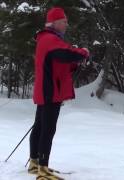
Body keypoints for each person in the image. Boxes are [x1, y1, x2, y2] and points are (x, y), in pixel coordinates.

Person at [28, 7, 89, 180]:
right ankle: (43, 169)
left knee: (40, 126)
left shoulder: (49, 39)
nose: (66, 24)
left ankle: (35, 163)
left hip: (47, 90)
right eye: (64, 21)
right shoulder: (49, 39)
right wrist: (83, 53)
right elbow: (65, 53)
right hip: (50, 91)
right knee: (47, 129)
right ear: (54, 22)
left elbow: (59, 61)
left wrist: (75, 63)